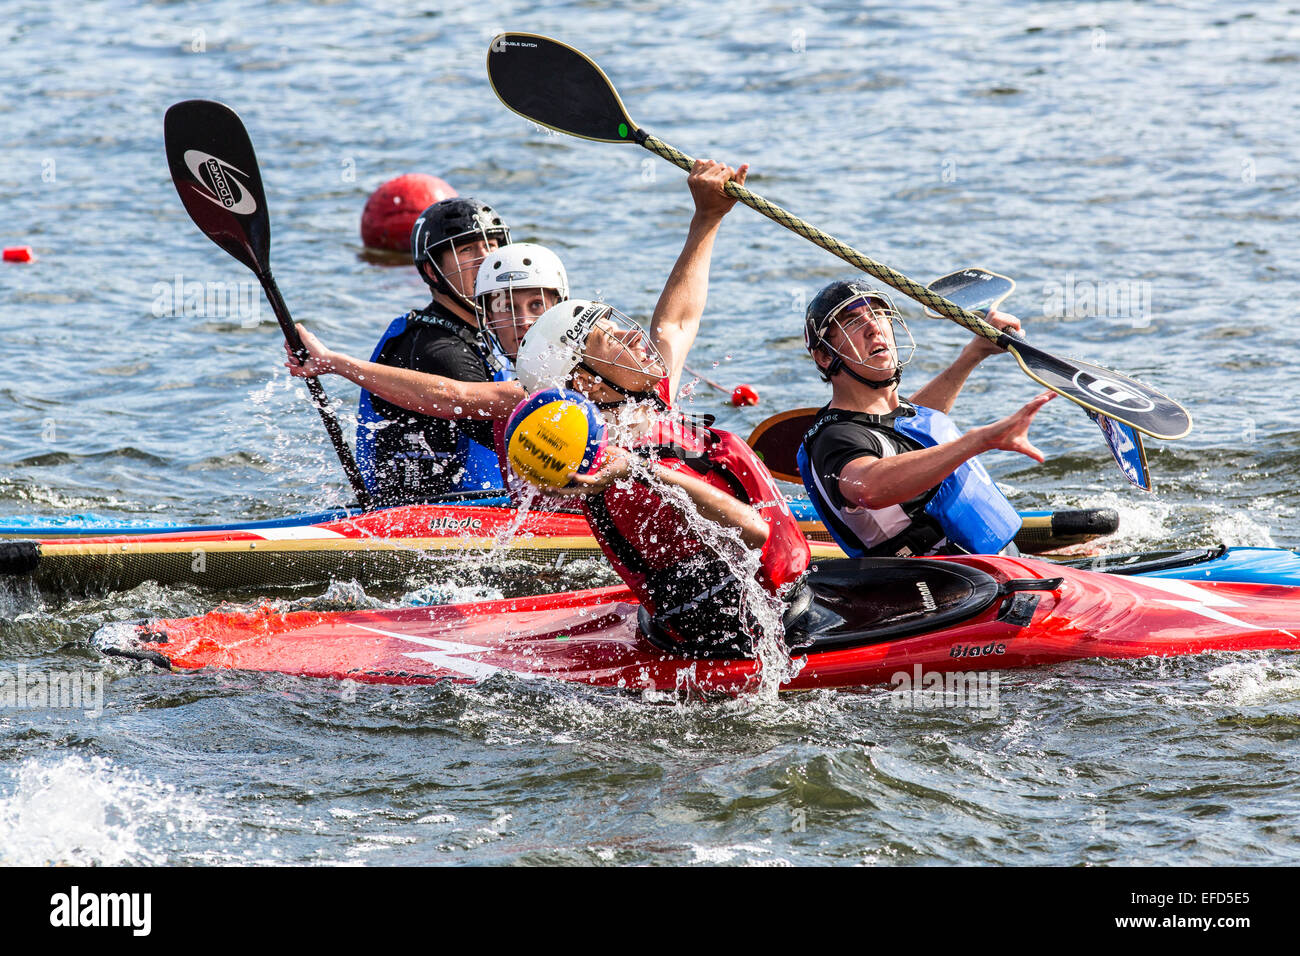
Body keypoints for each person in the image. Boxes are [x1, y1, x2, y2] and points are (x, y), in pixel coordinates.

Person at [511, 159, 811, 656]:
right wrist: (643, 471)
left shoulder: (639, 406)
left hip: (744, 609)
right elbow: (753, 532)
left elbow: (675, 321)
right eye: (611, 338)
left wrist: (707, 218)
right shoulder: (618, 466)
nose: (634, 335)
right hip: (751, 636)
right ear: (587, 382)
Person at [285, 232, 568, 502]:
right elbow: (451, 396)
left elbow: (455, 398)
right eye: (507, 307)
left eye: (536, 305)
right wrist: (335, 363)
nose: (523, 321)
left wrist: (337, 363)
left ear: (559, 306)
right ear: (489, 319)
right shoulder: (496, 362)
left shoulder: (570, 375)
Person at [797, 279, 1055, 558]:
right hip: (940, 591)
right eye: (852, 321)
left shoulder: (887, 418)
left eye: (878, 314)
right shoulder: (835, 439)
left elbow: (913, 425)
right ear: (824, 356)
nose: (873, 327)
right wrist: (978, 441)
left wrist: (974, 353)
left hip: (1000, 568)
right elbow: (868, 487)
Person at [356, 197, 512, 505]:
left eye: (492, 246)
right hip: (438, 514)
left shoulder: (484, 329)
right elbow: (514, 435)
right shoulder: (438, 350)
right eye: (467, 250)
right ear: (432, 270)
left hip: (481, 501)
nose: (487, 259)